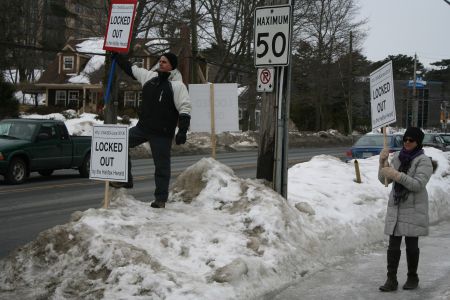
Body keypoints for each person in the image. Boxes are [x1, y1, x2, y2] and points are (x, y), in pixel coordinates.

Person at [110, 51, 191, 209]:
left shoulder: (178, 86)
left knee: (161, 166)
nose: (161, 63)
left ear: (172, 66)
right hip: (143, 128)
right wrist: (118, 57)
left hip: (162, 132)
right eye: (160, 61)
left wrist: (182, 130)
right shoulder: (149, 77)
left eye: (165, 62)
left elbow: (185, 108)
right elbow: (131, 69)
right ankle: (125, 178)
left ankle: (160, 199)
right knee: (120, 142)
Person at [378, 127, 434, 292]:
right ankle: (391, 279)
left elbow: (417, 184)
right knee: (393, 246)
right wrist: (382, 163)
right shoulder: (397, 157)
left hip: (414, 207)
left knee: (411, 245)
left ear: (418, 142)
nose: (407, 143)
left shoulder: (423, 161)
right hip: (396, 205)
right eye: (405, 139)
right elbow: (384, 180)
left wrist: (395, 175)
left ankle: (412, 276)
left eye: (411, 140)